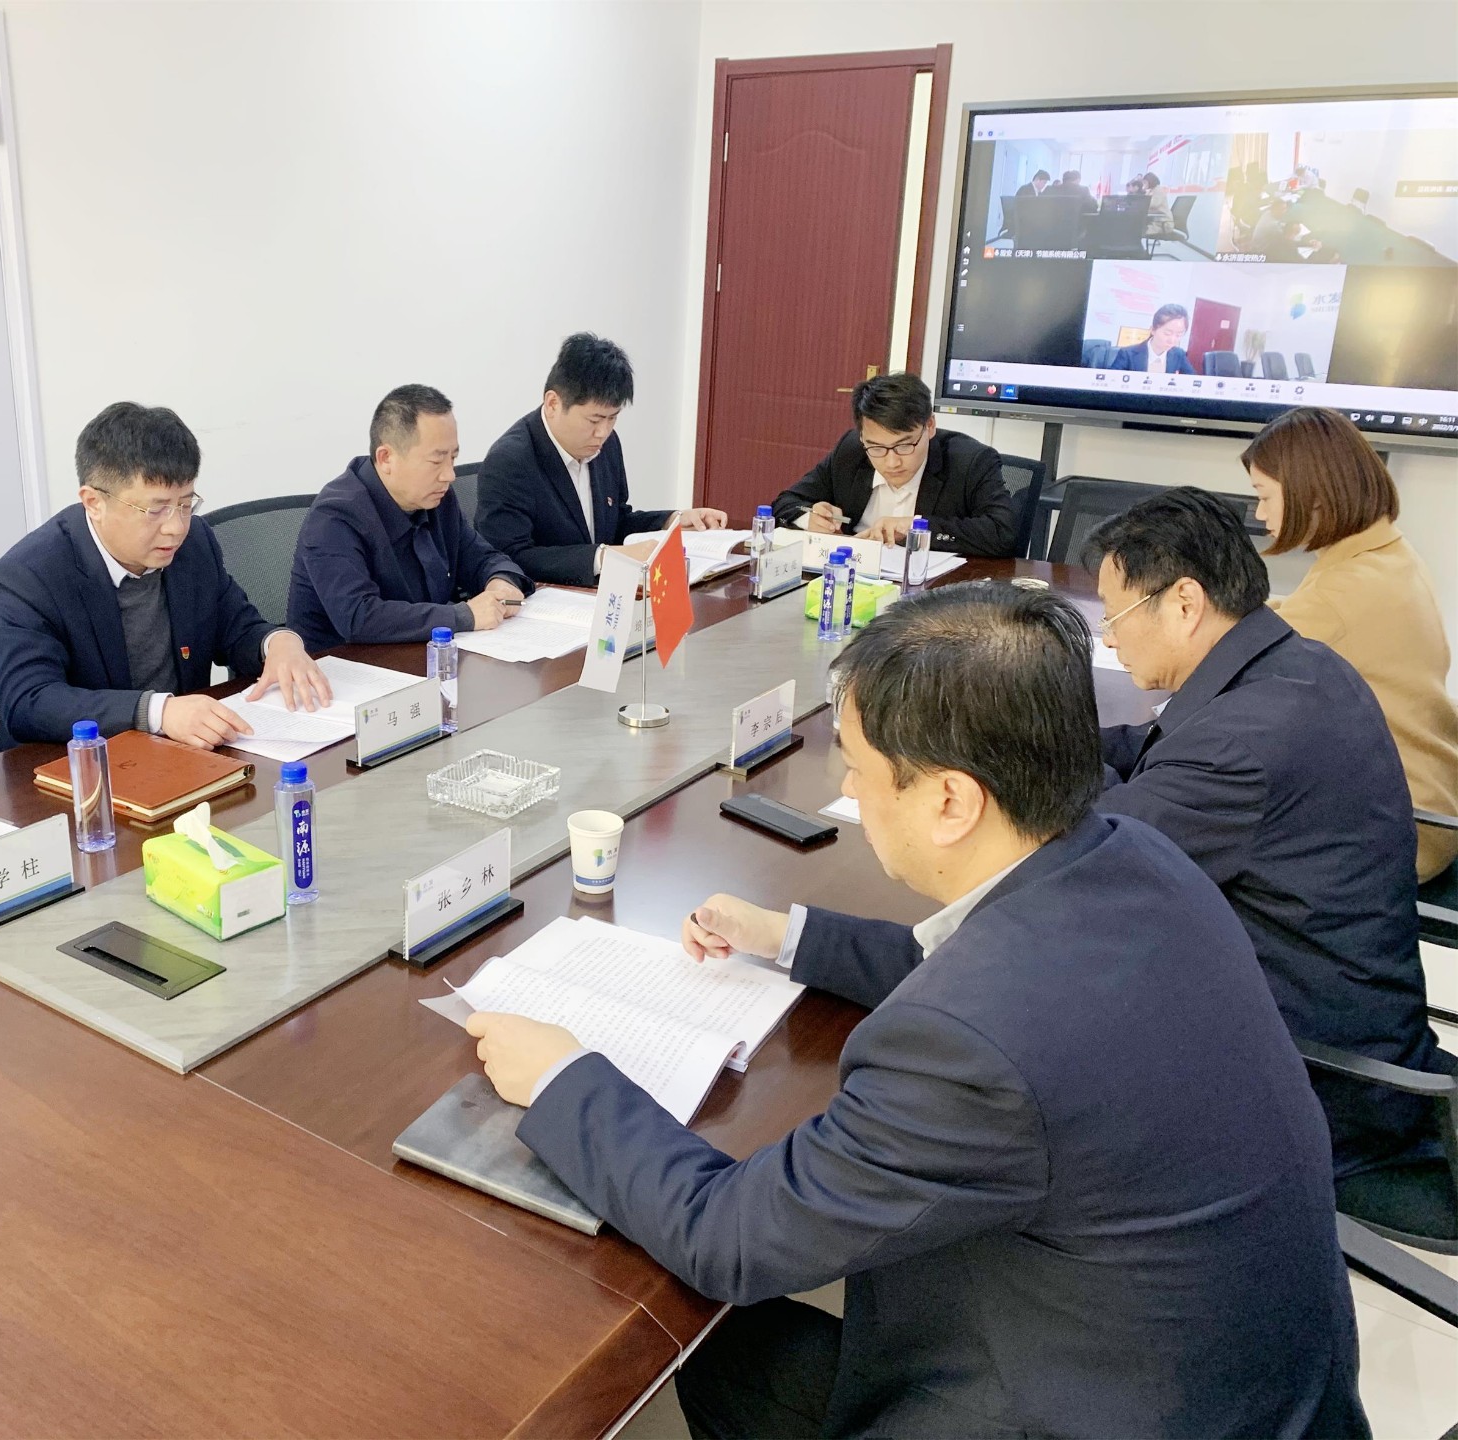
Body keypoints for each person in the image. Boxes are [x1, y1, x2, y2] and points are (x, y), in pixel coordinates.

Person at [466, 582, 1364, 1438]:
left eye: (858, 767)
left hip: (1096, 1409)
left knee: (712, 1345)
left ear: (950, 801)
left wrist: (563, 1076)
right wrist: (788, 935)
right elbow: (979, 966)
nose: (850, 788)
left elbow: (730, 1237)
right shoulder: (1133, 857)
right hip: (1257, 1388)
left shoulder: (970, 1047)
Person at [1090, 488, 1446, 1178]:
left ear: (1185, 603)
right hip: (1352, 1020)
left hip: (1312, 1085)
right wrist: (1038, 731)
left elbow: (1100, 849)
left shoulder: (1243, 742)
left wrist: (1020, 760)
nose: (1108, 638)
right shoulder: (1296, 665)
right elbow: (1151, 751)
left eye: (1116, 616)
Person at [0, 402, 331, 750]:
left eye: (185, 504)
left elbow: (236, 628)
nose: (176, 527)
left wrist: (278, 644)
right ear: (93, 502)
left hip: (178, 754)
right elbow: (29, 701)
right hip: (75, 764)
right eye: (155, 510)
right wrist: (158, 712)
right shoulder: (30, 575)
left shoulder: (194, 543)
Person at [1243, 407, 1458, 880]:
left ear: (1313, 493)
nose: (1259, 514)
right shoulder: (1386, 554)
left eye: (1264, 496)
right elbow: (1297, 617)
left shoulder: (1343, 592)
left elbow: (1234, 662)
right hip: (1428, 800)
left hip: (1395, 830)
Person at [288, 385, 531, 649]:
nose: (450, 475)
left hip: (420, 652)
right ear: (386, 458)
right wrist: (463, 616)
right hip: (342, 665)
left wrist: (500, 581)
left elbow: (481, 557)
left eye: (453, 458)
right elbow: (359, 616)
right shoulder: (335, 518)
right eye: (436, 461)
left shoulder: (437, 498)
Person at [475, 334, 725, 585]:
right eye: (594, 420)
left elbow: (616, 523)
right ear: (552, 404)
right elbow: (508, 557)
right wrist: (603, 557)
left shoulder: (607, 445)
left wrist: (671, 521)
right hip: (545, 599)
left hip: (601, 593)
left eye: (612, 418)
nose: (603, 432)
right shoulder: (510, 461)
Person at [769, 372, 1017, 556]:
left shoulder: (970, 461)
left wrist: (916, 527)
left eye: (904, 445)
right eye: (877, 448)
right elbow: (785, 503)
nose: (892, 462)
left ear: (930, 426)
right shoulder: (851, 451)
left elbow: (1002, 534)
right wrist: (810, 518)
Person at [1106, 303, 1195, 375]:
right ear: (1153, 330)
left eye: (1178, 335)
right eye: (1167, 333)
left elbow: (1193, 382)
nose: (1172, 340)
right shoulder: (1127, 354)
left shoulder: (1179, 355)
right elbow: (1111, 382)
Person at [1140, 170, 1173, 236]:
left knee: (1137, 231)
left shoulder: (1158, 190)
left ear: (1150, 181)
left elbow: (1152, 204)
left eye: (1145, 183)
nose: (1144, 185)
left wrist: (1144, 194)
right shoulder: (1151, 190)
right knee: (1136, 228)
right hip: (1155, 221)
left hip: (1162, 224)